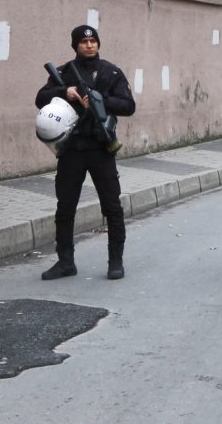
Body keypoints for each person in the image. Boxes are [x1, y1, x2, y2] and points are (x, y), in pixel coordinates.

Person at [35, 25, 136, 281]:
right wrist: (64, 92)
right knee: (65, 208)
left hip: (101, 148)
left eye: (93, 41)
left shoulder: (111, 72)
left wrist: (100, 100)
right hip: (72, 151)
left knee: (112, 207)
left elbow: (128, 105)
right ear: (76, 45)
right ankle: (65, 262)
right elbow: (40, 98)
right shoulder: (64, 72)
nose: (89, 45)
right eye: (83, 42)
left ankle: (116, 261)